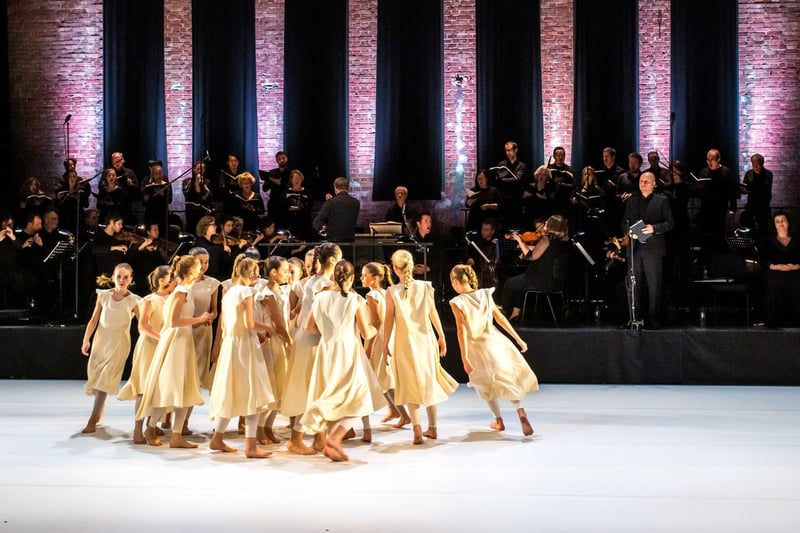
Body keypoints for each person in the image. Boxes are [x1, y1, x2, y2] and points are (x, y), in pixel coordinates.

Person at [301, 260, 384, 461]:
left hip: (326, 349)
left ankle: (331, 441)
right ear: (352, 277)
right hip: (347, 350)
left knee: (331, 391)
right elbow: (366, 333)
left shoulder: (321, 298)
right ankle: (334, 439)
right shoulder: (354, 300)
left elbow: (308, 327)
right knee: (360, 398)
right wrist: (377, 327)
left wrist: (327, 332)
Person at [449, 264, 537, 436]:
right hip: (495, 341)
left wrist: (464, 357)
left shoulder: (458, 302)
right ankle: (519, 410)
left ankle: (498, 420)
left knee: (484, 385)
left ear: (455, 282)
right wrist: (518, 339)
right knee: (507, 378)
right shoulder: (485, 294)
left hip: (477, 346)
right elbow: (500, 318)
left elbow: (461, 331)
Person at [136, 255, 214, 448]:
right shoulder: (180, 291)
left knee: (186, 388)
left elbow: (183, 321)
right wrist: (199, 319)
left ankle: (177, 435)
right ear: (191, 271)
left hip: (184, 341)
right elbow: (174, 321)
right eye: (198, 267)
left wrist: (201, 322)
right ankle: (151, 427)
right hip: (176, 343)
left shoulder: (185, 291)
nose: (201, 270)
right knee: (171, 386)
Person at [383, 249, 457, 445]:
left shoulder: (392, 292)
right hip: (425, 340)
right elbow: (433, 313)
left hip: (404, 343)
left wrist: (384, 343)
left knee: (409, 384)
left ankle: (417, 429)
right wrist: (441, 335)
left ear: (395, 268)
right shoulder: (425, 287)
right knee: (428, 381)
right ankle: (432, 427)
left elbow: (388, 320)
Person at [208, 257, 276, 458]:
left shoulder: (229, 293)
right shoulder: (246, 292)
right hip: (245, 346)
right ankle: (251, 446)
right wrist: (267, 328)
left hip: (231, 345)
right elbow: (250, 323)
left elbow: (226, 324)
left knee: (232, 391)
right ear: (251, 273)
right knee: (253, 393)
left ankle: (217, 438)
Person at [283, 243, 342, 455]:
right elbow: (321, 316)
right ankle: (296, 439)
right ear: (333, 261)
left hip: (307, 338)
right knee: (309, 387)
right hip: (312, 339)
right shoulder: (325, 285)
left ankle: (319, 437)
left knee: (317, 388)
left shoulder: (313, 281)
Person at [80, 263, 141, 434]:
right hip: (101, 341)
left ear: (131, 279)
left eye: (126, 277)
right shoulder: (104, 296)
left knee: (105, 379)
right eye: (119, 276)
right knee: (96, 377)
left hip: (119, 343)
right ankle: (99, 409)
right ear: (113, 277)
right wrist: (86, 339)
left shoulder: (134, 300)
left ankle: (93, 419)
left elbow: (142, 323)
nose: (122, 280)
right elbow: (94, 320)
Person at [118, 265, 175, 444]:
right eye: (171, 276)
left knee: (159, 387)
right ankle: (137, 429)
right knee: (144, 388)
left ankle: (153, 424)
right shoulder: (150, 300)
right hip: (150, 347)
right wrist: (162, 338)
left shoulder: (173, 298)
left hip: (164, 347)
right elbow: (142, 326)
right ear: (162, 280)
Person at [621, 171, 674, 329]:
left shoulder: (662, 201)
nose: (643, 184)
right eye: (641, 181)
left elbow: (670, 223)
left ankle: (654, 319)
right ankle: (634, 318)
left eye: (647, 181)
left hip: (653, 249)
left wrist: (654, 228)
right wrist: (629, 231)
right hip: (635, 249)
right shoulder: (632, 201)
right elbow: (624, 222)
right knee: (633, 284)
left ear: (654, 184)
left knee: (654, 285)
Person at [361, 261, 409, 427]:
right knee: (381, 375)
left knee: (382, 376)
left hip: (377, 338)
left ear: (374, 278)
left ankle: (403, 413)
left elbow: (376, 322)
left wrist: (370, 347)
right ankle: (393, 409)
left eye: (364, 275)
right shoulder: (384, 293)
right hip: (387, 335)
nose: (361, 278)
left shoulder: (372, 296)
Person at [501, 214, 571, 321]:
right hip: (556, 282)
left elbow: (531, 257)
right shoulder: (564, 241)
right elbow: (546, 252)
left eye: (547, 222)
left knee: (510, 282)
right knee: (521, 286)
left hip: (540, 281)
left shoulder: (546, 239)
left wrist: (520, 240)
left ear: (552, 226)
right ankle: (515, 314)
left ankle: (503, 311)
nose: (545, 223)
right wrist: (528, 247)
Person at [255, 255, 293, 444]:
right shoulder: (267, 293)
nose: (288, 274)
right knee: (271, 384)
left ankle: (268, 427)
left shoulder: (281, 290)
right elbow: (276, 322)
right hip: (272, 342)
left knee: (280, 386)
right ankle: (259, 428)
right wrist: (289, 340)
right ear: (273, 272)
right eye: (284, 271)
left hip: (281, 340)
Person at [693, 149, 739, 253]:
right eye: (708, 160)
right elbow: (699, 190)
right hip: (706, 207)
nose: (710, 163)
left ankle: (719, 255)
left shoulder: (726, 172)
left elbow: (732, 192)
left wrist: (732, 209)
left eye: (712, 160)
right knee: (704, 232)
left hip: (720, 207)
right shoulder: (704, 172)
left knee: (719, 232)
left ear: (718, 160)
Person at [759, 211, 800, 327]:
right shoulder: (767, 241)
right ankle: (775, 318)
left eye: (783, 220)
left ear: (788, 223)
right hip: (775, 271)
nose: (781, 223)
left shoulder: (798, 240)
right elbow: (761, 259)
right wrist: (775, 266)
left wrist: (796, 266)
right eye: (777, 221)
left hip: (795, 270)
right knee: (775, 281)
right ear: (774, 225)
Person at [313, 177, 360, 242]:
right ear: (348, 188)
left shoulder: (331, 202)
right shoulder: (356, 202)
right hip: (350, 240)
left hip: (333, 240)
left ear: (335, 188)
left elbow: (319, 220)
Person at [493, 141, 529, 227]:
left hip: (516, 198)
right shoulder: (502, 164)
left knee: (516, 224)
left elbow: (518, 179)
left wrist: (503, 179)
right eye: (506, 150)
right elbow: (496, 179)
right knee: (504, 224)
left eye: (510, 150)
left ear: (515, 150)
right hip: (504, 198)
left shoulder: (521, 165)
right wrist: (500, 178)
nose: (508, 153)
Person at [740, 153, 773, 239]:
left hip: (763, 206)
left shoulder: (768, 174)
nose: (755, 167)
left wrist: (752, 188)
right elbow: (744, 188)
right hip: (751, 205)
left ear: (762, 164)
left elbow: (765, 189)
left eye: (757, 164)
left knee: (763, 229)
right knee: (750, 229)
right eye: (753, 164)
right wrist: (745, 189)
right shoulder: (749, 173)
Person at [279, 169, 314, 241]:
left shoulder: (307, 192)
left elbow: (310, 206)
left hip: (304, 222)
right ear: (291, 180)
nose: (297, 180)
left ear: (302, 180)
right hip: (289, 222)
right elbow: (281, 206)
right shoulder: (285, 192)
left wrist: (301, 208)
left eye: (298, 178)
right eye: (295, 178)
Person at [55, 168, 91, 235]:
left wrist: (77, 197)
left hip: (77, 219)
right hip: (65, 218)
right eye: (70, 177)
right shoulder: (62, 190)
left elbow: (86, 204)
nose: (72, 179)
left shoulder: (81, 191)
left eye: (74, 177)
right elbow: (57, 205)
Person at [182, 161, 214, 237]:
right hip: (191, 211)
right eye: (198, 168)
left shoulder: (207, 182)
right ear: (194, 169)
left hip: (203, 211)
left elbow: (208, 197)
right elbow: (186, 194)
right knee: (192, 231)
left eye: (202, 169)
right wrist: (196, 183)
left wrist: (203, 185)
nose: (200, 170)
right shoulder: (187, 181)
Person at [141, 160, 172, 236]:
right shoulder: (146, 181)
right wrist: (145, 199)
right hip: (150, 215)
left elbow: (170, 200)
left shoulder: (166, 182)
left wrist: (162, 194)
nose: (159, 176)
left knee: (163, 235)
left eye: (160, 173)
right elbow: (143, 200)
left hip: (163, 215)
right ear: (152, 174)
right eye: (156, 174)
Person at [547, 146, 576, 216]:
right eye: (558, 155)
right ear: (554, 156)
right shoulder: (549, 169)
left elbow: (574, 186)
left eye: (562, 155)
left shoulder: (570, 171)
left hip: (565, 200)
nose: (560, 157)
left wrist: (561, 184)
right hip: (551, 200)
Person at [264, 151, 292, 218]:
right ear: (277, 161)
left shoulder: (291, 173)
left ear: (287, 159)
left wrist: (279, 183)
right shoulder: (272, 172)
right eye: (279, 159)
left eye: (283, 158)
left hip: (286, 203)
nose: (281, 160)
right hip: (273, 203)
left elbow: (291, 188)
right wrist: (270, 180)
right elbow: (264, 188)